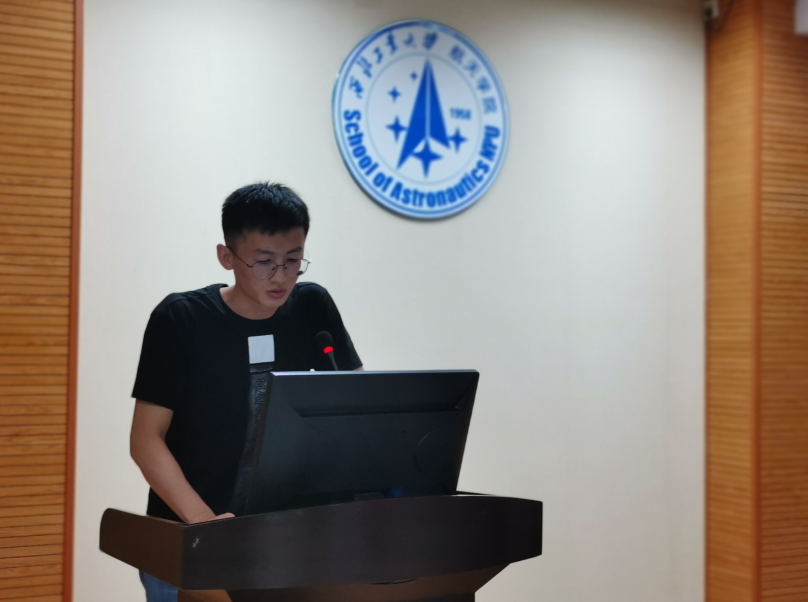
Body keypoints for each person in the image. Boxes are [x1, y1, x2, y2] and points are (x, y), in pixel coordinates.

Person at [129, 183, 363, 602]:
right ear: (227, 257)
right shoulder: (181, 320)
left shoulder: (312, 307)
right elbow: (146, 441)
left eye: (293, 261)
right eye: (264, 262)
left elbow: (361, 407)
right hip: (186, 537)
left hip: (281, 541)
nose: (281, 277)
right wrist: (205, 525)